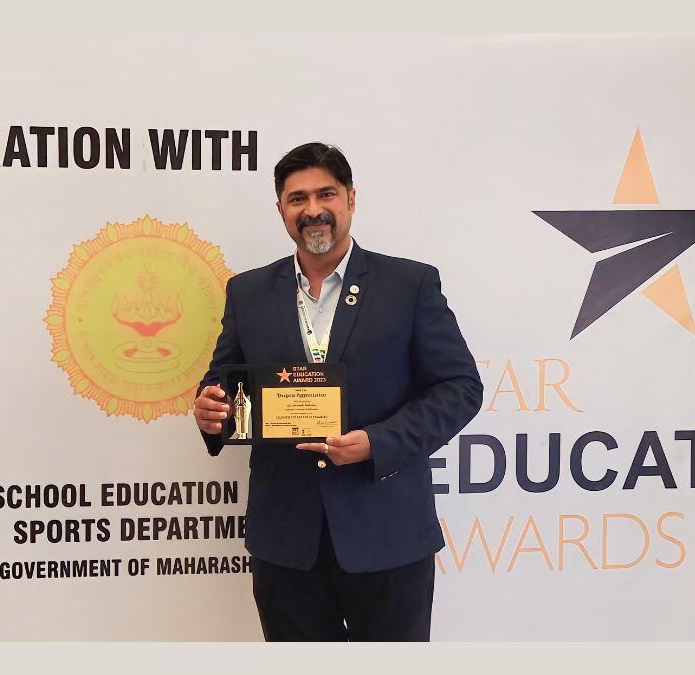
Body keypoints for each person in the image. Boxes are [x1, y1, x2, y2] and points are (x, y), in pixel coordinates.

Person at [194, 142, 483, 641]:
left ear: (351, 198)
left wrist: (379, 443)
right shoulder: (247, 292)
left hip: (388, 533)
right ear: (281, 209)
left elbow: (460, 387)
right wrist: (211, 409)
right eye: (297, 198)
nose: (313, 209)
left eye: (325, 194)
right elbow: (223, 381)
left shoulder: (409, 284)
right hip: (286, 541)